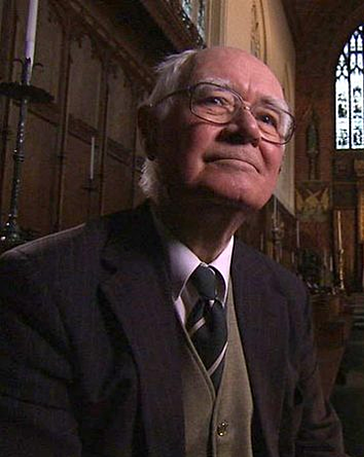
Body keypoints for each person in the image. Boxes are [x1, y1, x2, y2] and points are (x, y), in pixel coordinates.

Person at [0, 47, 346, 457]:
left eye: (268, 119)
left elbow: (316, 443)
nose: (248, 130)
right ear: (151, 131)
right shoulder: (42, 284)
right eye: (216, 101)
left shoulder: (286, 295)